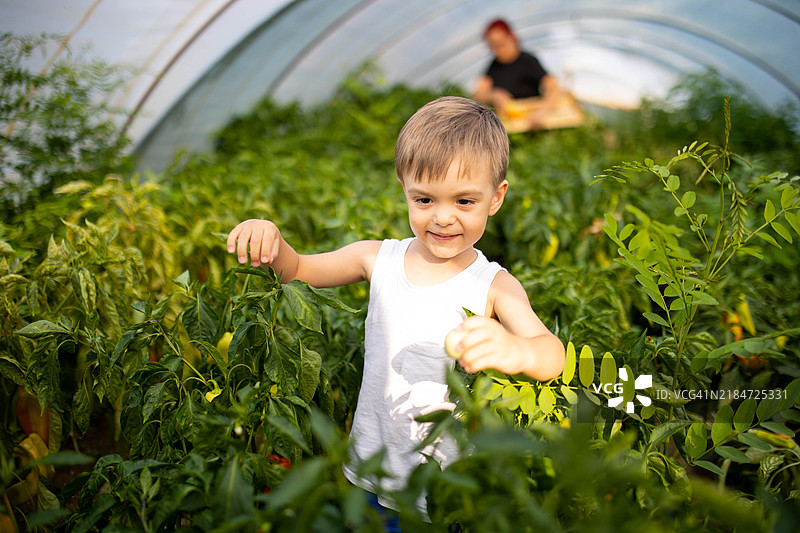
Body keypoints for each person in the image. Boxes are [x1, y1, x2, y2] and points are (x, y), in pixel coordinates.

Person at [226, 96, 566, 523]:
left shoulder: (493, 285)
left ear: (495, 198)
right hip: (370, 471)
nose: (443, 218)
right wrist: (269, 237)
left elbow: (551, 353)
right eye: (424, 200)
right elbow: (297, 270)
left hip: (444, 488)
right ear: (403, 188)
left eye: (464, 202)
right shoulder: (378, 259)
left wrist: (516, 351)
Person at [473, 18, 570, 132]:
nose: (497, 50)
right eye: (492, 46)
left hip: (533, 127)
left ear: (511, 38)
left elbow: (554, 88)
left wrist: (543, 110)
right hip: (508, 129)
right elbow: (478, 95)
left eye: (500, 44)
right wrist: (494, 95)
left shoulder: (528, 62)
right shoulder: (493, 67)